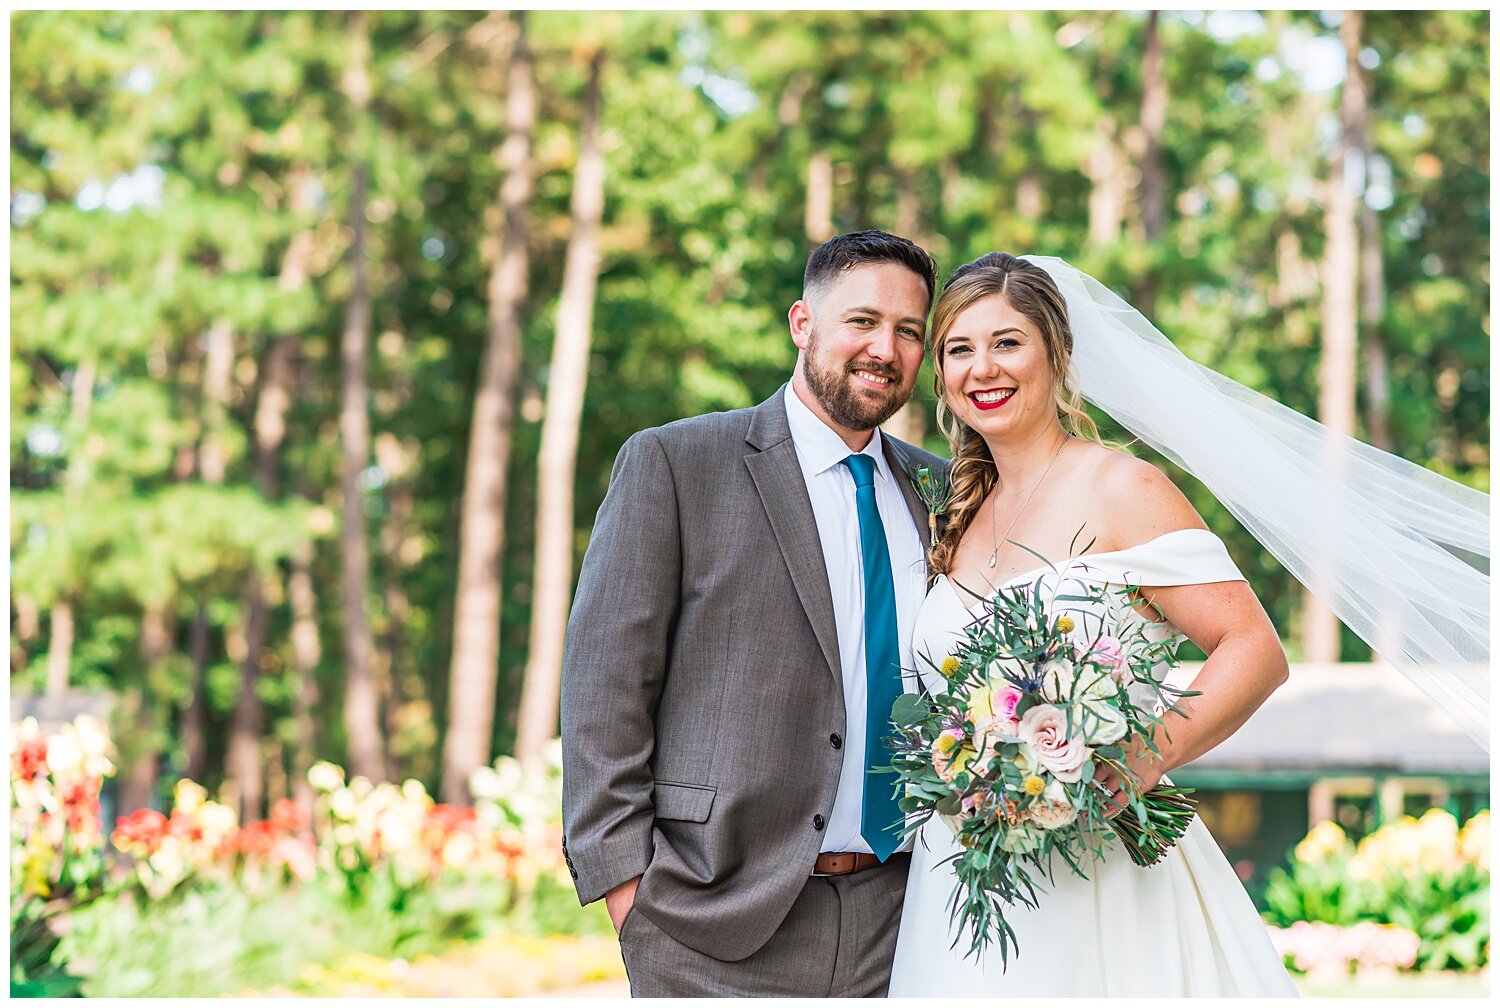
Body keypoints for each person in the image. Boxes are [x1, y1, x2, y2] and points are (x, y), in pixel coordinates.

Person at [888, 253, 1299, 996]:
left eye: (1007, 342)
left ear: (1058, 351)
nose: (984, 367)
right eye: (959, 348)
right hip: (960, 879)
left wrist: (1141, 760)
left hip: (1101, 874)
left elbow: (1254, 650)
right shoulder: (953, 513)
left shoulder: (1123, 487)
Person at [560, 230, 948, 996]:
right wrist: (628, 894)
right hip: (713, 922)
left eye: (909, 331)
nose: (886, 348)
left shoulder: (945, 492)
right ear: (803, 324)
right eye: (862, 321)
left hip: (908, 922)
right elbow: (605, 688)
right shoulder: (676, 464)